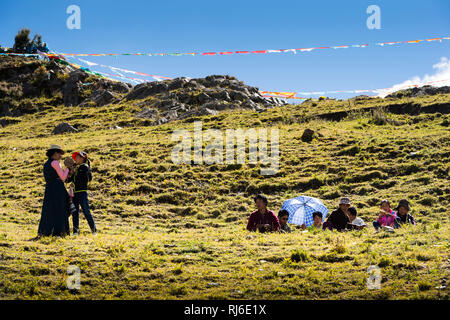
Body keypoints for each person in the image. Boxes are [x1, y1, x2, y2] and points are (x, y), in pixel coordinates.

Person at [37, 144, 71, 237]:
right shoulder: (55, 163)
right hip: (57, 188)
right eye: (60, 153)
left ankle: (45, 231)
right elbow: (63, 177)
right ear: (55, 153)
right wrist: (68, 168)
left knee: (49, 209)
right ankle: (59, 231)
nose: (60, 156)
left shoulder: (47, 163)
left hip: (49, 188)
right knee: (60, 209)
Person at [67, 151, 97, 235]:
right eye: (75, 157)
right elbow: (68, 180)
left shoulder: (84, 167)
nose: (75, 159)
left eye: (77, 157)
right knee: (75, 213)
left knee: (86, 211)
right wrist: (69, 171)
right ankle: (75, 231)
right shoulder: (77, 168)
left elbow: (82, 179)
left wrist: (72, 170)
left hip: (81, 193)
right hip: (74, 193)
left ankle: (93, 230)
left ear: (82, 158)